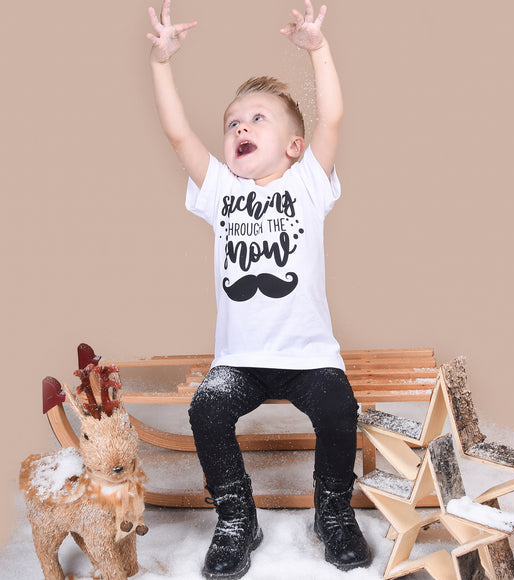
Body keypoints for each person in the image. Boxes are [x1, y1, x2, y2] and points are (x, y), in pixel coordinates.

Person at [147, 1, 371, 578]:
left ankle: (332, 510)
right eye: (232, 124)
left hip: (307, 356)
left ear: (294, 147)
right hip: (241, 359)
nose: (241, 128)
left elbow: (334, 121)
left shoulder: (306, 186)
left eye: (257, 120)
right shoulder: (220, 190)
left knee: (338, 408)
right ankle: (236, 514)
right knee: (208, 408)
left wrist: (318, 50)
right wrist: (161, 63)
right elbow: (177, 135)